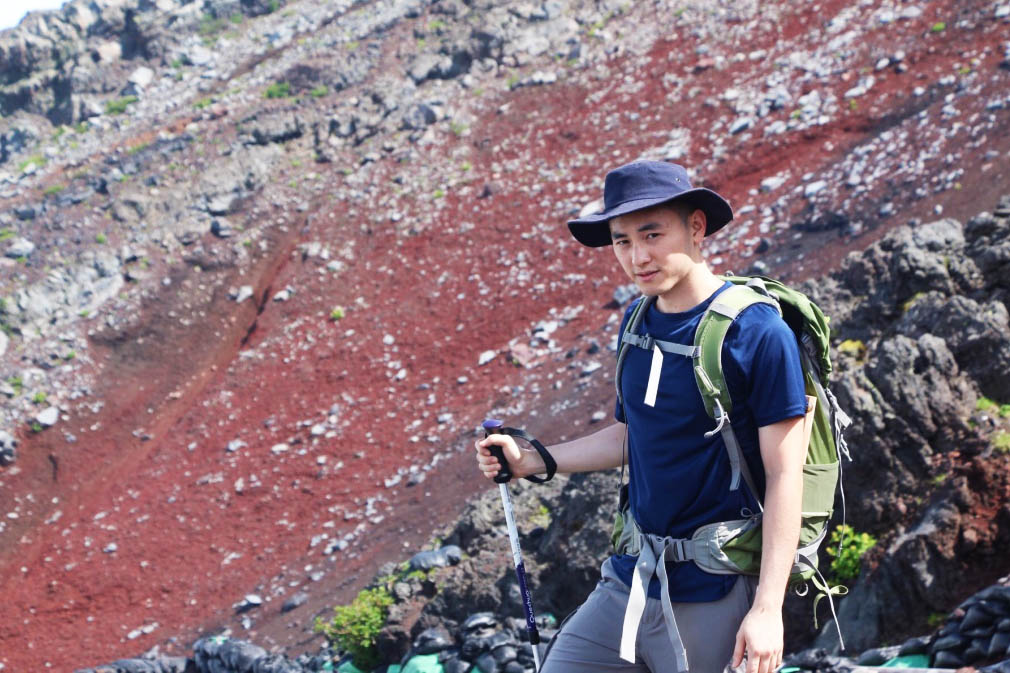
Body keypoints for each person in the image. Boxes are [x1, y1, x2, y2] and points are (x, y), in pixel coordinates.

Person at [475, 160, 808, 673]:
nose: (637, 256)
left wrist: (767, 610)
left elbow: (787, 473)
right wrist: (534, 461)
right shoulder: (636, 325)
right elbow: (632, 437)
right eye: (622, 241)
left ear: (696, 226)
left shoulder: (758, 333)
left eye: (652, 234)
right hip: (629, 582)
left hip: (715, 591)